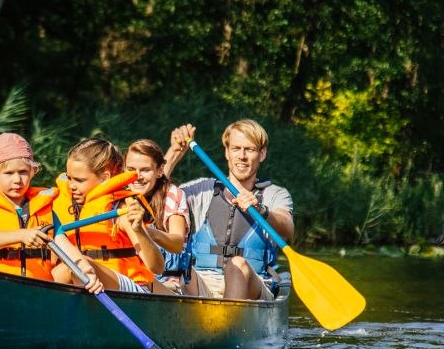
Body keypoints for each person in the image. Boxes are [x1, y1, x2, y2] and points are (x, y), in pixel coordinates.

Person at [164, 120, 294, 300]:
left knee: (237, 264)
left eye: (249, 149)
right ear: (227, 152)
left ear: (262, 154)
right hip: (203, 283)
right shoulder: (203, 190)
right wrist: (175, 153)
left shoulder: (274, 194)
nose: (242, 156)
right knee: (180, 270)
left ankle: (229, 324)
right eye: (236, 148)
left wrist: (261, 209)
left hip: (253, 285)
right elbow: (158, 195)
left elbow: (287, 227)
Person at [51, 137, 164, 294]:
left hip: (131, 291)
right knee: (61, 270)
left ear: (105, 178)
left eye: (79, 180)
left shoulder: (121, 208)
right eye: (69, 178)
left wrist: (138, 230)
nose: (71, 186)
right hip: (87, 284)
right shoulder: (59, 204)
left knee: (73, 266)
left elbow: (157, 267)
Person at [0, 133, 58, 280]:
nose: (17, 180)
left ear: (32, 172)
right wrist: (22, 234)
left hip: (41, 286)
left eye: (23, 172)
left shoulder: (47, 206)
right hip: (0, 284)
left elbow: (63, 241)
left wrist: (83, 267)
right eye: (9, 173)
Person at [124, 139, 191, 293]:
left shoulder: (171, 194)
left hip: (167, 282)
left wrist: (148, 233)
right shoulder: (120, 196)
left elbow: (177, 243)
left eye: (145, 170)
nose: (137, 176)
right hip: (130, 276)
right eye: (131, 169)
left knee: (142, 284)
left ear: (159, 171)